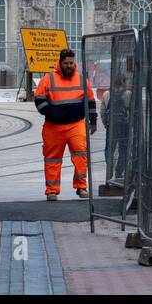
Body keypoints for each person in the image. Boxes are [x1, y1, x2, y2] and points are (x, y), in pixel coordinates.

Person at [34, 49, 97, 200]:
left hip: (76, 125)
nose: (69, 66)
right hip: (53, 126)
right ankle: (52, 190)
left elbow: (90, 101)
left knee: (81, 155)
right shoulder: (48, 79)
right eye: (66, 63)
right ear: (60, 63)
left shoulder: (82, 79)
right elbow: (38, 99)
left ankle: (81, 187)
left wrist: (93, 121)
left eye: (71, 63)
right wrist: (49, 113)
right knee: (52, 159)